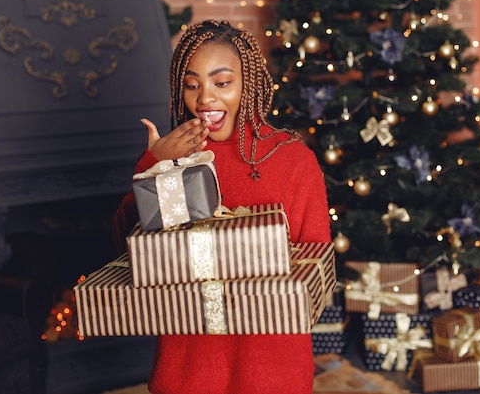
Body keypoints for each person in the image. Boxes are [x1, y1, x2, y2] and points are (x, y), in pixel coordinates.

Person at [112, 19, 331, 394]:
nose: (205, 99)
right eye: (192, 84)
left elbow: (313, 278)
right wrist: (155, 166)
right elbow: (128, 251)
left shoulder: (294, 161)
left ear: (249, 83)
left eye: (222, 83)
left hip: (272, 374)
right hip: (187, 372)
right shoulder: (170, 155)